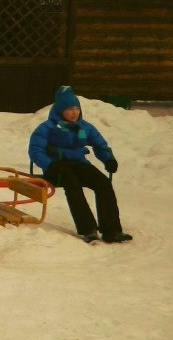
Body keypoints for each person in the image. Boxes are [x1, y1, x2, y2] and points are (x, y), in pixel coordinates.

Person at [28, 86, 131, 244]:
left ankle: (111, 230)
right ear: (60, 110)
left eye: (77, 108)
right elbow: (35, 150)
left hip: (78, 163)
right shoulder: (47, 128)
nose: (74, 112)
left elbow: (100, 145)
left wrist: (108, 159)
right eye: (69, 109)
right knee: (73, 185)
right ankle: (88, 229)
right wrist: (50, 164)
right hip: (58, 166)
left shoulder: (84, 127)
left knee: (103, 184)